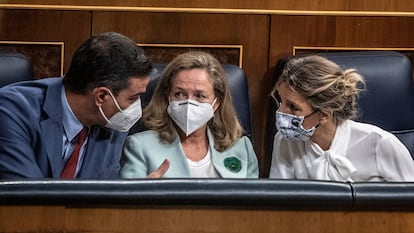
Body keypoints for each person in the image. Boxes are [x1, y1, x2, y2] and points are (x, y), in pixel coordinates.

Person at [0, 32, 167, 179]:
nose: (137, 107)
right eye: (133, 98)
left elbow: (104, 192)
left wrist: (133, 199)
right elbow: (25, 200)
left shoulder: (111, 123)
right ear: (101, 96)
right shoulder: (12, 111)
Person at [269, 55, 414, 182]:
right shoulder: (284, 141)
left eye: (293, 107)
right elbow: (279, 202)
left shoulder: (381, 144)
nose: (281, 112)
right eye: (280, 102)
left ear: (325, 114)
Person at [121, 51, 259, 178]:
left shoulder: (242, 148)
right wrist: (145, 195)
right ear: (167, 96)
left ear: (216, 103)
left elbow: (254, 203)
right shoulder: (139, 146)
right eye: (179, 94)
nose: (188, 103)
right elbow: (127, 202)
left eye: (200, 95)